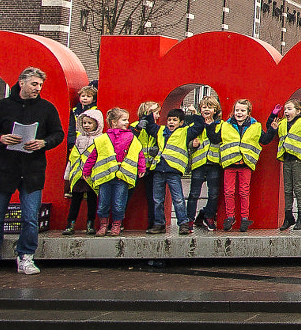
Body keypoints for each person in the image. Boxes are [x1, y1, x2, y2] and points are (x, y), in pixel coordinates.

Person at [0, 67, 66, 275]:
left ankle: (26, 256)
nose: (37, 88)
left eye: (40, 85)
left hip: (33, 170)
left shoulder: (46, 108)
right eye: (34, 84)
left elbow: (58, 134)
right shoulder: (2, 106)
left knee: (31, 217)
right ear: (21, 83)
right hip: (6, 168)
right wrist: (1, 138)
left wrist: (43, 142)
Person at [265, 99, 301, 232]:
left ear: (298, 111)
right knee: (287, 189)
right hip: (286, 158)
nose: (286, 111)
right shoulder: (283, 123)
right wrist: (272, 114)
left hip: (298, 159)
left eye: (289, 109)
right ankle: (288, 217)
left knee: (297, 188)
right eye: (285, 109)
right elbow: (270, 126)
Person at [216, 97, 264, 233]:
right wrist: (209, 125)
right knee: (228, 192)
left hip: (245, 164)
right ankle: (230, 217)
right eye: (237, 110)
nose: (239, 113)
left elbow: (265, 139)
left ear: (248, 112)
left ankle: (244, 218)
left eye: (243, 110)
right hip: (230, 163)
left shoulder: (256, 126)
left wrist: (272, 128)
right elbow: (215, 138)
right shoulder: (225, 125)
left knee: (244, 192)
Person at [61, 109, 109, 236]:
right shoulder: (79, 139)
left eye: (89, 123)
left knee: (92, 202)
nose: (86, 125)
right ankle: (70, 224)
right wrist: (68, 174)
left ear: (97, 124)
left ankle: (90, 224)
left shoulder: (101, 139)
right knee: (75, 201)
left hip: (92, 177)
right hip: (78, 176)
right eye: (84, 123)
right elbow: (73, 158)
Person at [95, 108, 142, 236]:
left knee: (119, 204)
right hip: (105, 176)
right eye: (124, 119)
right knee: (103, 204)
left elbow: (139, 152)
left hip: (122, 177)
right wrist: (87, 170)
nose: (127, 122)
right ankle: (103, 225)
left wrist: (141, 167)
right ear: (114, 122)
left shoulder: (130, 136)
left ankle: (116, 225)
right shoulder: (103, 138)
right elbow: (94, 155)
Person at [148, 106, 192, 234]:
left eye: (174, 120)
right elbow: (150, 125)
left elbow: (197, 127)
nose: (171, 122)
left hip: (173, 170)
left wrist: (195, 114)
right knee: (157, 199)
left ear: (181, 122)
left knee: (178, 198)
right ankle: (159, 224)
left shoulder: (185, 132)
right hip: (159, 169)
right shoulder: (161, 130)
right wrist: (150, 113)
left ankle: (183, 223)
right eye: (169, 120)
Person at [185, 96, 225, 231]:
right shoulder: (195, 125)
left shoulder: (221, 125)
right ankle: (189, 219)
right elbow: (186, 142)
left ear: (216, 110)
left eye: (210, 107)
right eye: (203, 107)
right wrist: (192, 144)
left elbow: (220, 140)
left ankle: (208, 215)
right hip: (198, 163)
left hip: (214, 162)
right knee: (194, 193)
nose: (206, 109)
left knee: (214, 193)